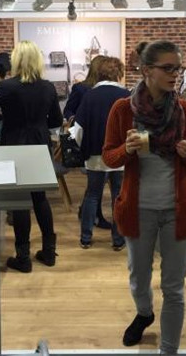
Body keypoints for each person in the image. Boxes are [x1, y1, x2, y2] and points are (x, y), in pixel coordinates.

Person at [102, 41, 186, 354]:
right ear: (146, 70)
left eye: (178, 68)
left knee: (174, 287)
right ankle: (144, 313)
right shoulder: (123, 109)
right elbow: (108, 157)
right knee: (139, 276)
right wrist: (126, 149)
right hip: (138, 209)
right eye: (168, 68)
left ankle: (168, 350)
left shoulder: (183, 110)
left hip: (177, 210)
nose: (175, 74)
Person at [0, 40, 63, 273]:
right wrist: (38, 123)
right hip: (40, 146)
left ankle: (23, 257)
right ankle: (48, 252)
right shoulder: (48, 87)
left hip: (15, 145)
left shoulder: (6, 87)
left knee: (20, 200)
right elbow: (56, 120)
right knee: (40, 198)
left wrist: (4, 118)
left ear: (15, 60)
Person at [73, 57, 130, 250]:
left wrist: (83, 148)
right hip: (121, 155)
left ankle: (85, 238)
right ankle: (118, 240)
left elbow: (78, 128)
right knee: (118, 196)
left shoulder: (90, 96)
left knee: (92, 195)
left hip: (95, 155)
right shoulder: (126, 95)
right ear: (118, 73)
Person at [64, 55, 113, 229]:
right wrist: (77, 121)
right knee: (98, 180)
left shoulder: (110, 89)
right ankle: (93, 216)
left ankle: (88, 213)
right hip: (88, 138)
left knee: (98, 181)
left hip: (106, 137)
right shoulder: (81, 89)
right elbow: (68, 110)